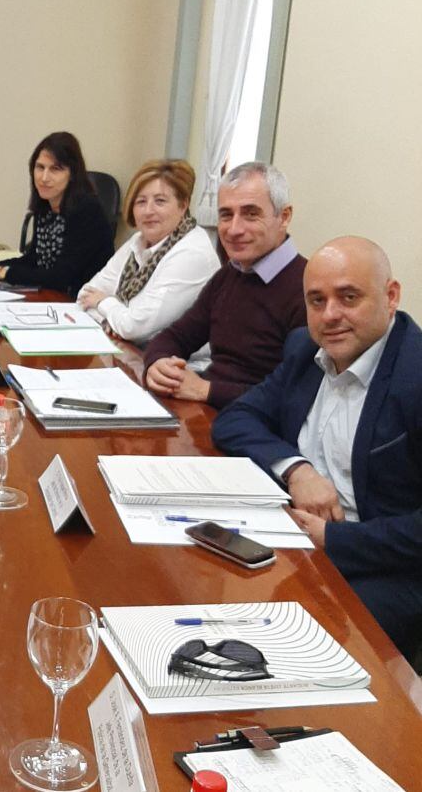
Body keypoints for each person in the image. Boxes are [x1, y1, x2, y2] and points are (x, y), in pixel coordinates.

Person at [213, 237, 422, 657]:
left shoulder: (415, 375)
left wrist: (334, 539)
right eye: (316, 300)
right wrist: (297, 470)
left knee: (286, 649)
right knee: (205, 599)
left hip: (386, 566)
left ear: (391, 296)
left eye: (348, 297)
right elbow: (235, 419)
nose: (330, 316)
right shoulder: (306, 349)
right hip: (294, 535)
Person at [143, 161, 306, 409]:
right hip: (205, 410)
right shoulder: (229, 275)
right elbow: (177, 335)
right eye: (226, 215)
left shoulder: (309, 290)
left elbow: (293, 396)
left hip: (252, 425)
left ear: (284, 217)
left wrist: (207, 390)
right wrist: (158, 363)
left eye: (251, 214)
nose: (234, 229)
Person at [76, 159, 220, 344]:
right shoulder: (138, 241)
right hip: (133, 350)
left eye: (160, 201)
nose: (148, 211)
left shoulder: (192, 253)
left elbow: (133, 327)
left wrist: (104, 303)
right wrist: (110, 319)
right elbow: (87, 293)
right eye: (141, 201)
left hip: (182, 365)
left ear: (183, 206)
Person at [0, 131, 114, 296]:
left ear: (72, 174)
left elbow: (62, 277)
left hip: (79, 302)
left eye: (55, 169)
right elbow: (34, 260)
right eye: (40, 167)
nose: (44, 177)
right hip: (53, 296)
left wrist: (1, 272)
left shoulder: (87, 210)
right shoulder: (45, 206)